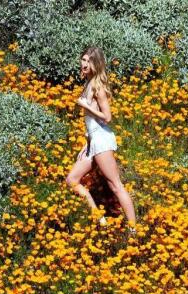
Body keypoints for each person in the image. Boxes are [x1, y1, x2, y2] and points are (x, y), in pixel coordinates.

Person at [64, 46, 137, 229]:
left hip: (102, 141)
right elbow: (91, 123)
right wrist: (87, 145)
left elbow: (107, 117)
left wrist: (85, 106)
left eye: (88, 60)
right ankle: (100, 220)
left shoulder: (98, 87)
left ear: (96, 64)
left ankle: (134, 229)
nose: (84, 64)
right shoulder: (88, 84)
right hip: (93, 142)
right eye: (83, 59)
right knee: (72, 180)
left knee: (115, 186)